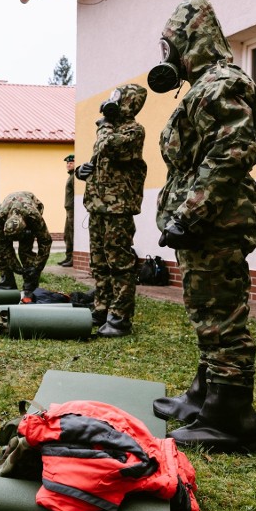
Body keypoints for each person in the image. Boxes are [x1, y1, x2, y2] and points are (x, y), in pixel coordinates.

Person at [147, 0, 256, 453]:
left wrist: (189, 213)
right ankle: (206, 395)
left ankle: (232, 418)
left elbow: (229, 155)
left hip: (215, 221)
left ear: (190, 41)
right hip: (207, 222)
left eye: (171, 46)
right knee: (207, 312)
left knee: (223, 315)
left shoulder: (221, 84)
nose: (168, 58)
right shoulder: (205, 85)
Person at [74, 84, 147, 338]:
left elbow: (108, 146)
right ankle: (102, 308)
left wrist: (104, 121)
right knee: (99, 262)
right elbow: (101, 161)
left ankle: (120, 317)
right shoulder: (109, 131)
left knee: (119, 263)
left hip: (118, 209)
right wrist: (82, 170)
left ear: (129, 103)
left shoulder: (134, 131)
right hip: (97, 206)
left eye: (118, 99)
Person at [0, 191, 52, 293]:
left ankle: (30, 284)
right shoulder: (0, 217)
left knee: (25, 252)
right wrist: (16, 267)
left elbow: (45, 241)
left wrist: (37, 267)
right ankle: (7, 284)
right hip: (9, 208)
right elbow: (1, 245)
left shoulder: (34, 217)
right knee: (0, 252)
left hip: (29, 209)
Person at [58, 154, 76, 267]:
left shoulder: (74, 177)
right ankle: (68, 256)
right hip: (69, 209)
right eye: (67, 163)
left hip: (73, 209)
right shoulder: (71, 176)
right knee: (67, 234)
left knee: (72, 233)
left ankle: (73, 258)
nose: (68, 165)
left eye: (71, 163)